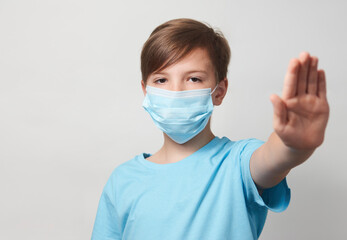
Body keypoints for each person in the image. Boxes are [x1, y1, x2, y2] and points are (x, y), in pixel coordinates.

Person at [91, 18, 329, 240]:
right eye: (161, 80)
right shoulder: (122, 180)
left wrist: (292, 146)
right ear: (146, 90)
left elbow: (272, 158)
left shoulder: (237, 163)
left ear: (219, 91)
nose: (176, 92)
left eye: (193, 79)